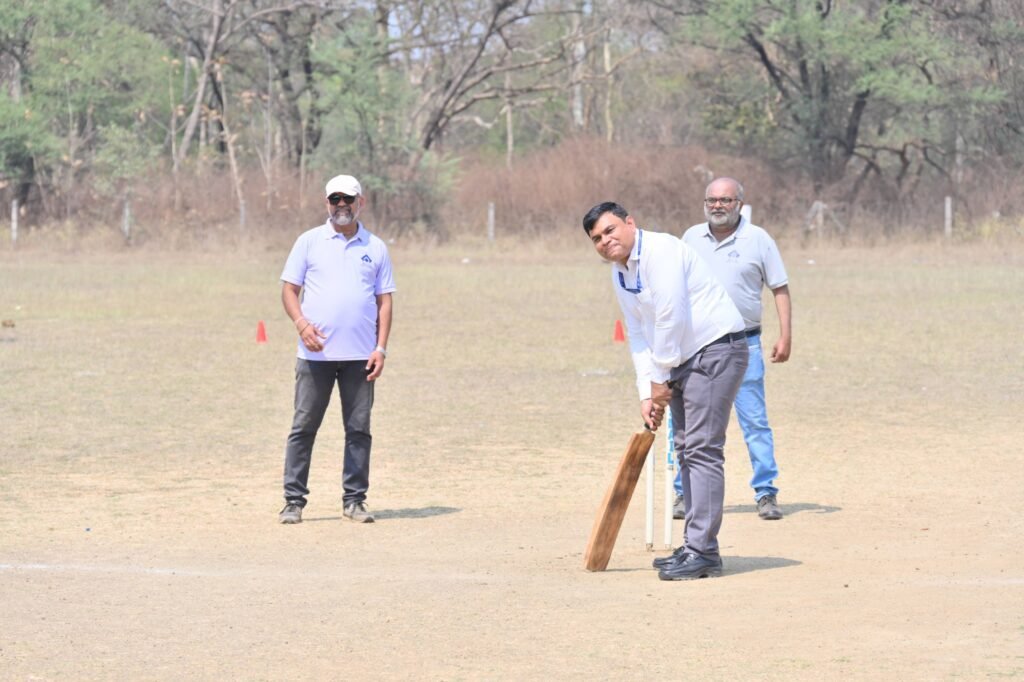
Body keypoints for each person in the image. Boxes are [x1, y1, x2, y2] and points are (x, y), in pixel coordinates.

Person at [583, 202, 748, 580]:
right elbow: (639, 332)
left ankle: (702, 552)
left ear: (629, 223)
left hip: (716, 348)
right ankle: (696, 546)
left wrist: (660, 379)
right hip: (682, 358)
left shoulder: (662, 251)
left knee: (702, 449)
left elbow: (671, 315)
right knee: (687, 449)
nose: (605, 241)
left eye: (610, 230)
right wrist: (647, 391)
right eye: (597, 239)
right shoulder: (621, 273)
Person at [278, 174, 396, 525]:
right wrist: (302, 324)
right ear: (326, 203)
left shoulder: (375, 247)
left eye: (348, 199)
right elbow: (289, 290)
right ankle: (293, 501)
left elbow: (385, 301)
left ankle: (354, 500)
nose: (341, 205)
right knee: (303, 428)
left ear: (361, 202)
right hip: (315, 356)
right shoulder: (309, 242)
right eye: (335, 199)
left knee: (358, 430)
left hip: (361, 358)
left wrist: (381, 348)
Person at [681, 177, 791, 521]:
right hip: (698, 346)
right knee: (689, 424)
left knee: (755, 422)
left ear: (739, 204)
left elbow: (779, 287)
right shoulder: (690, 238)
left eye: (725, 200)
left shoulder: (758, 239)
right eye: (712, 200)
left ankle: (766, 492)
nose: (717, 206)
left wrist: (785, 335)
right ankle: (683, 493)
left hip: (745, 344)